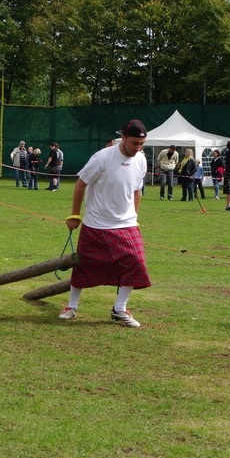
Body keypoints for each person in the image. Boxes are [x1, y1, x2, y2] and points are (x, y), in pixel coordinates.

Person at [58, 119, 151, 327]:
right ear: (123, 138)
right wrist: (74, 215)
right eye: (134, 143)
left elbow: (137, 191)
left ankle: (120, 309)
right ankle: (71, 306)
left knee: (136, 262)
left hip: (126, 223)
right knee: (84, 266)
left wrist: (134, 218)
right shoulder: (102, 157)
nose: (138, 148)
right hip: (96, 223)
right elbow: (80, 184)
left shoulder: (141, 160)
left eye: (141, 144)